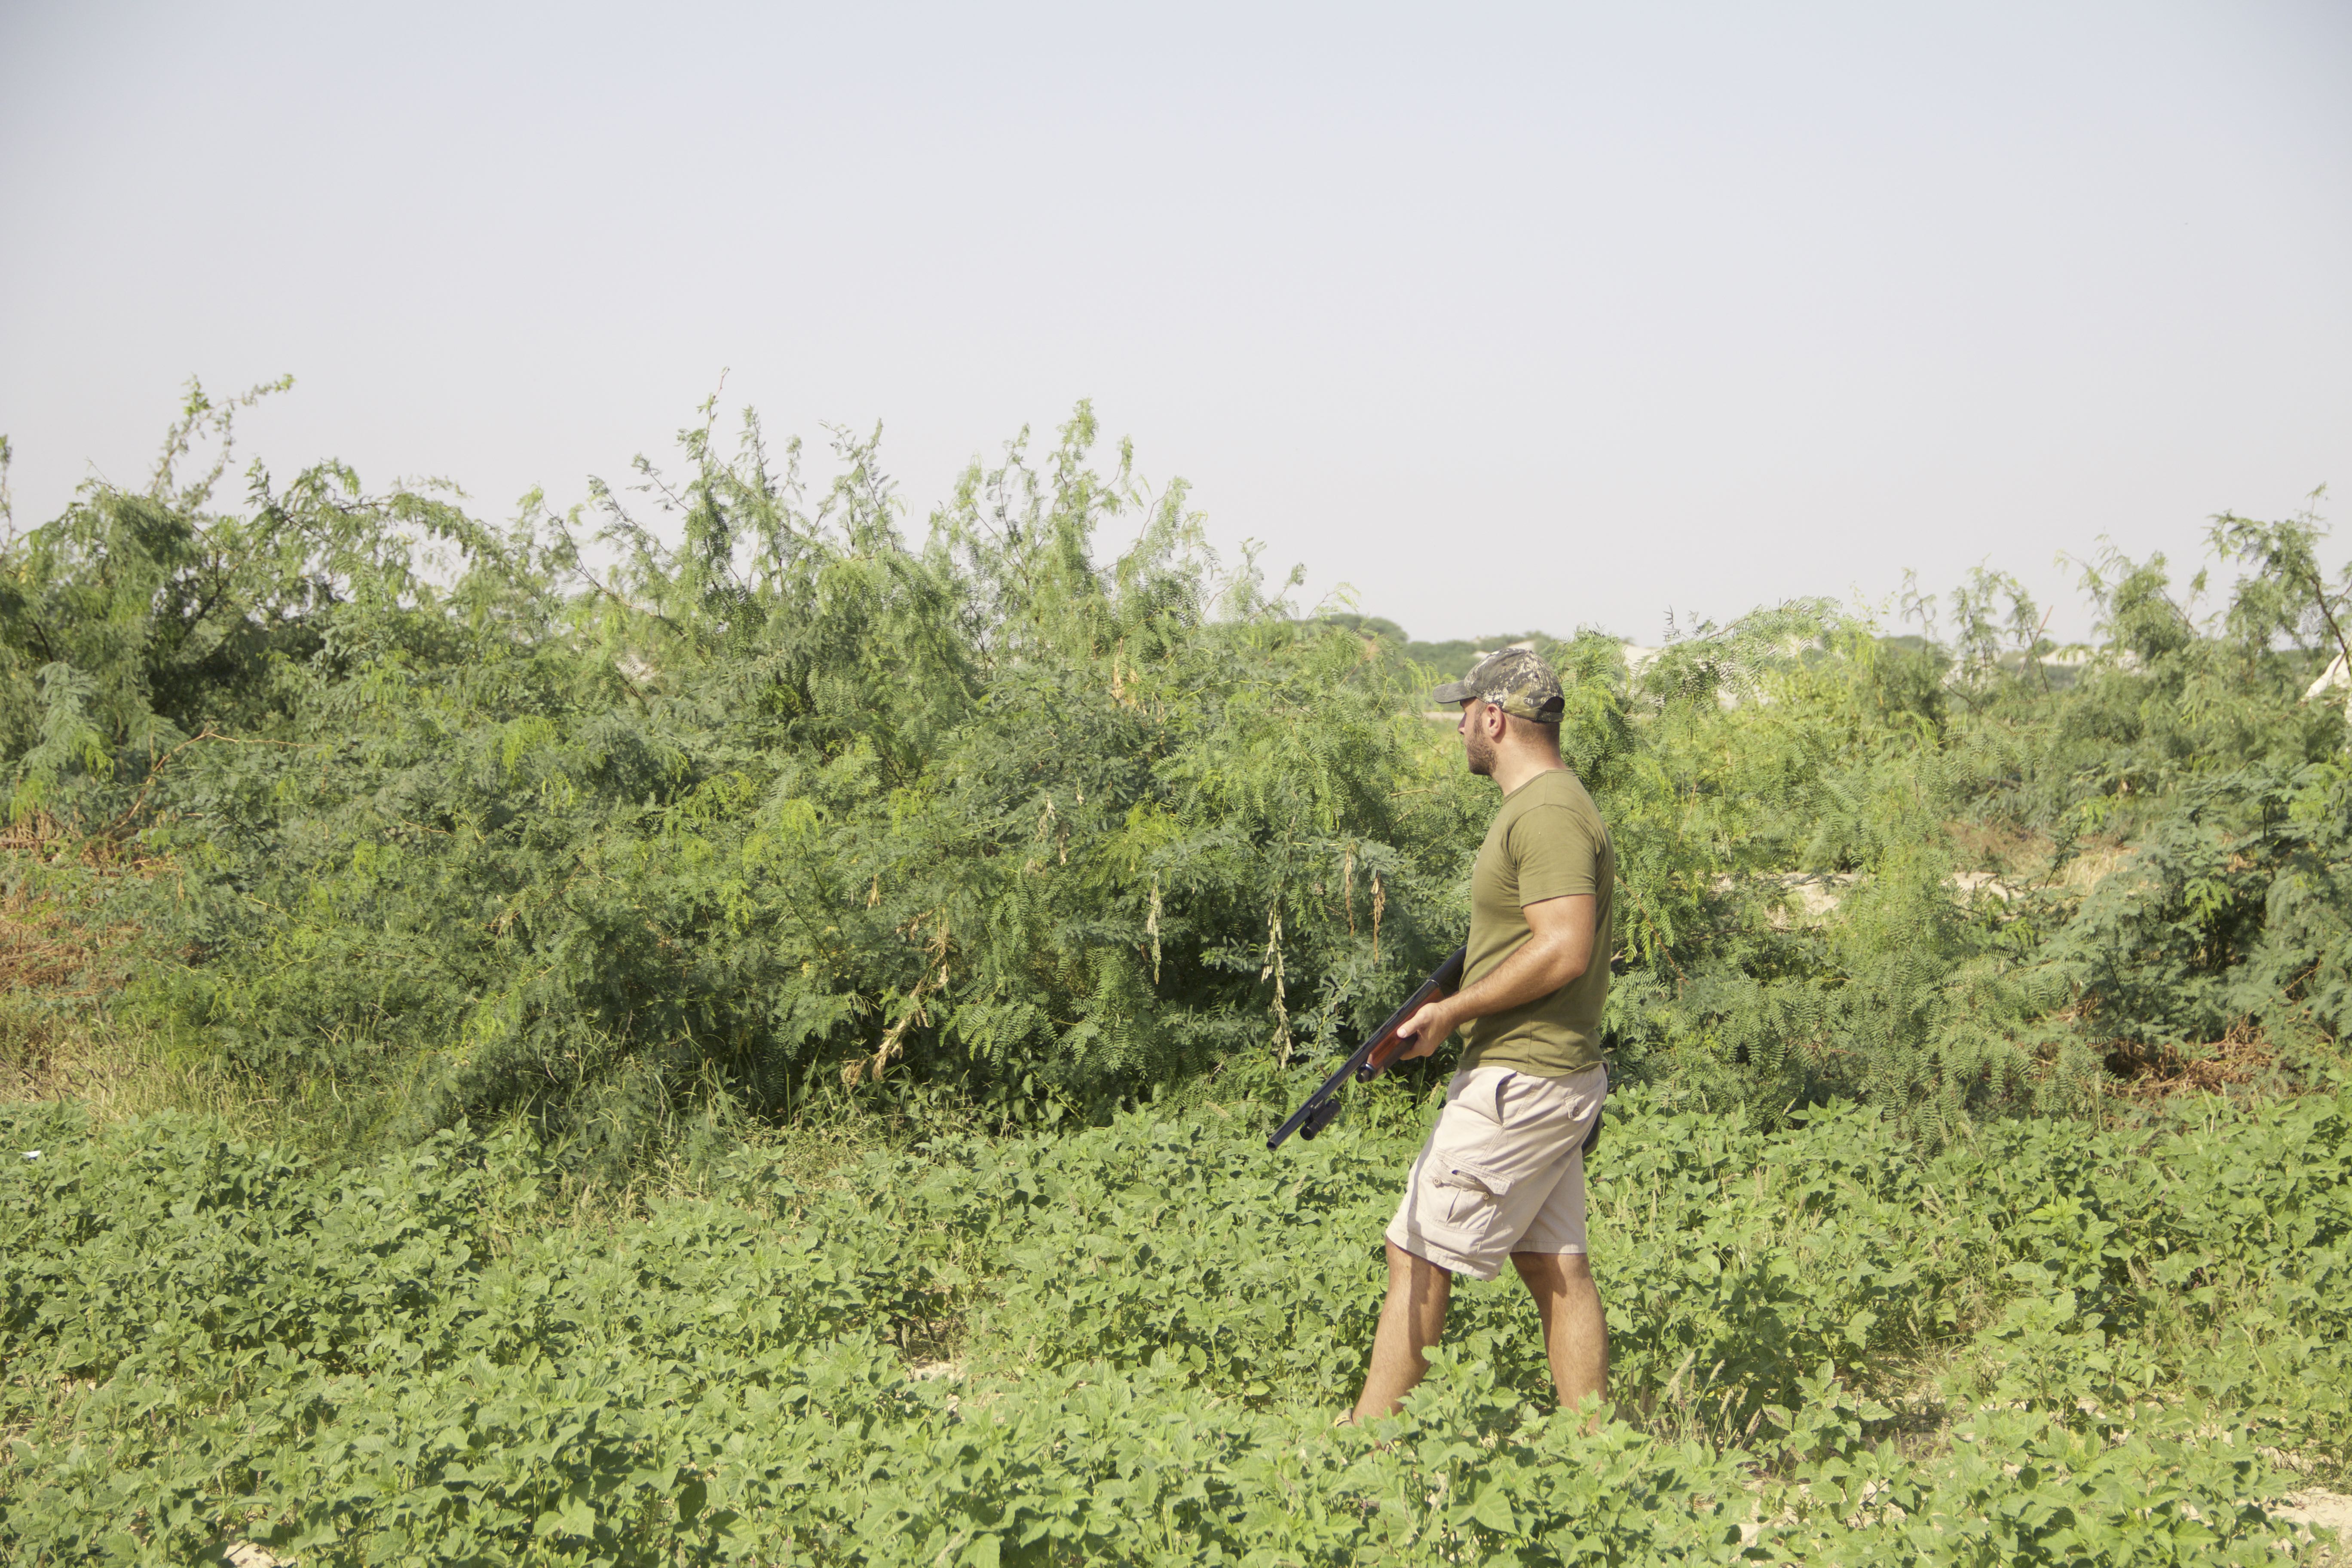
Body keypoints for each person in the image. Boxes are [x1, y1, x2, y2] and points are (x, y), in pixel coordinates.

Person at [1351, 646, 1615, 1424]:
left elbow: (1564, 946)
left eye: (1464, 711)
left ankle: (1365, 1454)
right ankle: (1598, 1453)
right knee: (1554, 1264)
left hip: (1521, 1078)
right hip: (1547, 1073)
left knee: (1418, 1249)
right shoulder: (1548, 807)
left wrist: (1453, 1011)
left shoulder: (1548, 813)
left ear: (1494, 718)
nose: (1460, 724)